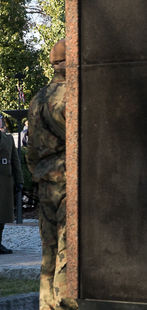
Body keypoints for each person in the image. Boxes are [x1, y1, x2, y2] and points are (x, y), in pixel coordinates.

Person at [26, 39, 77, 310]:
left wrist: (40, 173)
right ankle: (66, 305)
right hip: (70, 181)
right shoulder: (74, 95)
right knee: (69, 252)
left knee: (48, 253)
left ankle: (47, 305)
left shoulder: (37, 98)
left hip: (46, 182)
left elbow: (30, 150)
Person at [0, 118, 22, 254]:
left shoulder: (8, 139)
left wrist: (19, 180)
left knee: (2, 216)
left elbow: (15, 161)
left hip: (4, 183)